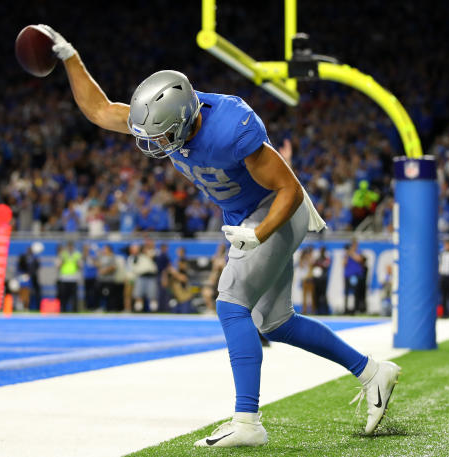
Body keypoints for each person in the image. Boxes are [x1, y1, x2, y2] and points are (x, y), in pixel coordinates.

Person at [38, 25, 400, 445]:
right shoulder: (172, 119)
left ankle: (248, 423)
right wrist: (69, 56)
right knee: (277, 321)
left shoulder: (231, 126)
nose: (155, 145)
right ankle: (373, 373)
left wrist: (259, 233)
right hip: (249, 216)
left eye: (160, 135)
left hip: (277, 212)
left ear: (185, 119)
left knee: (231, 304)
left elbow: (290, 190)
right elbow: (100, 112)